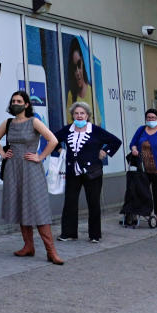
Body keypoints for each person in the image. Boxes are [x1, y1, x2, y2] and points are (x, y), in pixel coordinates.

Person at [0, 90, 64, 264]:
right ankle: (28, 246)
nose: (15, 103)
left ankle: (51, 251)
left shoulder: (34, 121)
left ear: (26, 104)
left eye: (19, 101)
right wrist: (3, 153)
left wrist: (40, 156)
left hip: (31, 168)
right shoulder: (8, 123)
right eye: (13, 101)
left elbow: (53, 140)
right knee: (20, 205)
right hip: (12, 169)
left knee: (38, 208)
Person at [54, 101, 122, 243]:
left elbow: (115, 141)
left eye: (82, 113)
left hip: (93, 172)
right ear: (72, 115)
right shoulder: (67, 130)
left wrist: (105, 151)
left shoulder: (96, 130)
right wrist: (60, 150)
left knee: (93, 203)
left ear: (88, 115)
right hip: (73, 172)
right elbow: (51, 139)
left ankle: (94, 235)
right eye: (76, 113)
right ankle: (68, 233)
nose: (79, 116)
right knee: (70, 202)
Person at [65, 38, 95, 123]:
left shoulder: (91, 91)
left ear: (83, 64)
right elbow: (69, 124)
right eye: (74, 68)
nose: (78, 72)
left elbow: (98, 123)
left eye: (79, 65)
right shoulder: (71, 95)